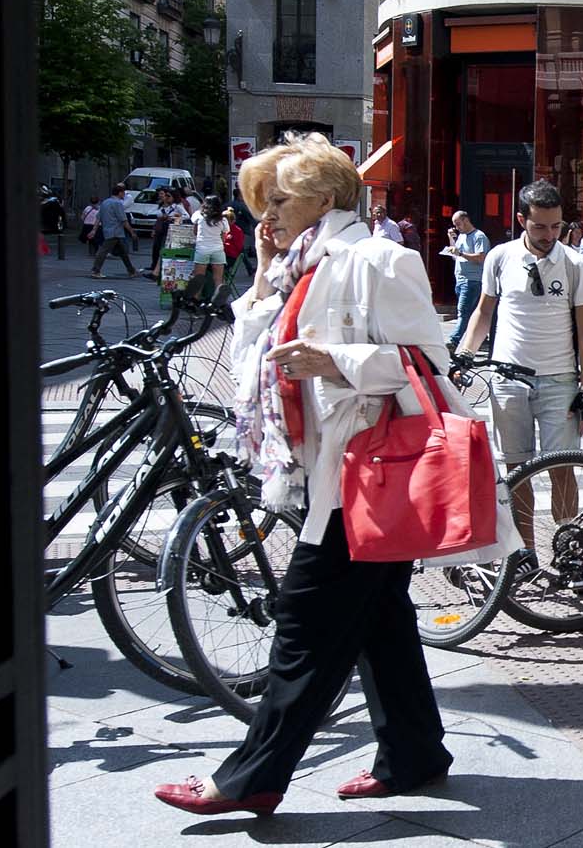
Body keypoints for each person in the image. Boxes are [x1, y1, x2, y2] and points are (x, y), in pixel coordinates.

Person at [152, 134, 460, 818]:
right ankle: (414, 752)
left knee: (304, 619)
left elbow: (431, 364)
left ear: (325, 195)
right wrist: (263, 275)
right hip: (335, 471)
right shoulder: (299, 266)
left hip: (369, 473)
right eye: (262, 201)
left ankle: (252, 775)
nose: (268, 214)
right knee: (381, 617)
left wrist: (335, 360)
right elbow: (251, 357)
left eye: (279, 198)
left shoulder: (381, 259)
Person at [455, 181, 583, 555]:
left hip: (559, 380)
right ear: (521, 221)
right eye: (540, 227)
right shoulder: (500, 258)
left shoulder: (575, 264)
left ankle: (568, 553)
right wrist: (465, 354)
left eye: (556, 227)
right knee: (517, 473)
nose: (550, 235)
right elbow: (483, 313)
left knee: (561, 468)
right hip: (507, 380)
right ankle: (526, 553)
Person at [446, 209, 488, 351]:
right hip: (460, 279)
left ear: (465, 220)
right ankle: (479, 339)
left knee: (463, 311)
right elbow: (455, 254)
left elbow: (481, 258)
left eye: (458, 224)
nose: (457, 227)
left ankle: (454, 340)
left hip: (472, 280)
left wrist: (461, 253)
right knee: (469, 313)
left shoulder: (479, 236)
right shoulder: (461, 236)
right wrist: (452, 239)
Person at [89, 182, 138, 278]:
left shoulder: (105, 202)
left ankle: (131, 270)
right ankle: (95, 270)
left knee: (123, 252)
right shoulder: (117, 203)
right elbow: (123, 220)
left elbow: (98, 217)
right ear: (119, 193)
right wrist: (132, 232)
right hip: (115, 231)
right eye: (123, 193)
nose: (124, 195)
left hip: (108, 230)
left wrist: (94, 230)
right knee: (104, 251)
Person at [191, 194, 230, 298]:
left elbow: (195, 231)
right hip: (218, 250)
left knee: (199, 278)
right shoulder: (223, 220)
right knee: (218, 279)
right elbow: (223, 236)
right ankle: (218, 303)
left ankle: (195, 302)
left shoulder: (198, 215)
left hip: (202, 250)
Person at [142, 187, 182, 280]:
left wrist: (173, 217)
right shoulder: (164, 206)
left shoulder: (177, 206)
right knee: (161, 250)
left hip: (171, 230)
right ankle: (157, 272)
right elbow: (155, 215)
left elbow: (186, 216)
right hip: (162, 229)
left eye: (168, 196)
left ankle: (157, 273)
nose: (166, 197)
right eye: (165, 195)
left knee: (164, 251)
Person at [222, 207, 246, 290]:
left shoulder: (237, 231)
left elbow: (239, 247)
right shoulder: (223, 229)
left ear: (232, 221)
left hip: (230, 257)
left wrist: (227, 243)